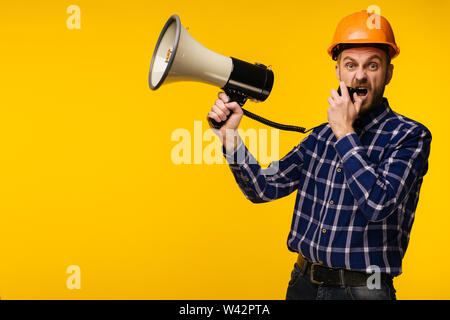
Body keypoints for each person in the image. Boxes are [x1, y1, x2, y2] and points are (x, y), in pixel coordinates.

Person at [206, 10, 432, 300]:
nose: (359, 75)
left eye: (372, 65)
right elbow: (263, 188)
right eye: (350, 65)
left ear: (388, 72)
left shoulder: (409, 135)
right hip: (303, 284)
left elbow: (379, 204)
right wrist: (229, 138)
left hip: (364, 289)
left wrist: (344, 133)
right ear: (338, 71)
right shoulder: (319, 137)